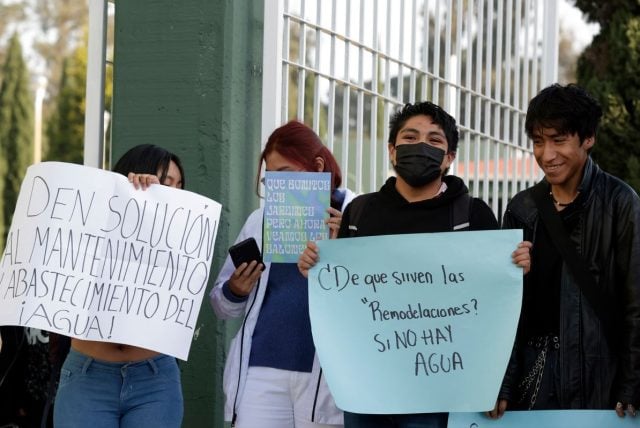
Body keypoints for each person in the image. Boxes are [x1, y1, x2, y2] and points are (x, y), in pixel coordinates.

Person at [298, 101, 531, 428]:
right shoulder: (360, 213)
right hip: (369, 393)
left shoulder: (473, 216)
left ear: (449, 158)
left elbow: (498, 309)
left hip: (443, 396)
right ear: (392, 151)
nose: (421, 146)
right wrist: (317, 268)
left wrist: (515, 268)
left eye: (435, 141)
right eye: (409, 137)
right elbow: (344, 300)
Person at [489, 84, 640, 419]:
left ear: (587, 139)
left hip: (599, 374)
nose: (547, 154)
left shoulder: (620, 202)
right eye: (539, 142)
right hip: (533, 374)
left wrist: (631, 382)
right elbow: (505, 308)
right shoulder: (522, 208)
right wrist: (502, 382)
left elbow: (636, 305)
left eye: (559, 140)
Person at [210, 121, 355, 428]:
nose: (277, 186)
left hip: (324, 378)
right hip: (260, 373)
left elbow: (372, 300)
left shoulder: (357, 217)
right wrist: (236, 289)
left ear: (317, 167)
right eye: (270, 178)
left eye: (285, 173)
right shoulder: (259, 221)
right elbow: (222, 305)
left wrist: (347, 246)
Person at [53, 144, 186, 428]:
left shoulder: (181, 239)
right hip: (88, 377)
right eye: (164, 182)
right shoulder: (93, 221)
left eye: (179, 185)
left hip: (154, 381)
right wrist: (126, 200)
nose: (173, 192)